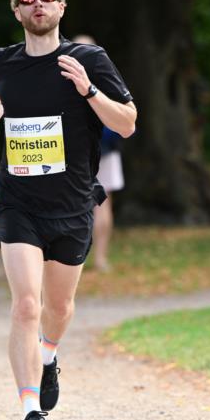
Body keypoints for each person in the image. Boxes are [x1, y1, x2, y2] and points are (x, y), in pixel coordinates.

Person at [0, 0, 136, 420]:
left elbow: (127, 124)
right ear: (17, 9)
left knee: (57, 308)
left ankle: (50, 355)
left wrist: (88, 90)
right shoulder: (4, 62)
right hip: (18, 201)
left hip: (73, 203)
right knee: (26, 305)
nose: (38, 2)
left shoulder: (88, 59)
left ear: (62, 5)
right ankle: (30, 413)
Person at [73, 33, 125, 272]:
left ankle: (76, 258)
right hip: (105, 149)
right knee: (103, 204)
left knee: (73, 205)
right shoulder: (106, 78)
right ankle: (100, 258)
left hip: (76, 152)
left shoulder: (65, 78)